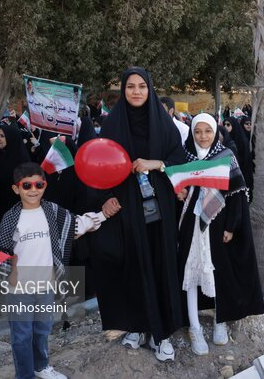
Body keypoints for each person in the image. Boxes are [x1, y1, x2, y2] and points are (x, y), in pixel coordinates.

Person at [90, 67, 185, 361]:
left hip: (159, 212)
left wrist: (154, 164)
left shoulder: (165, 125)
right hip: (127, 212)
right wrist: (107, 198)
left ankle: (163, 333)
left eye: (142, 86)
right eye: (130, 86)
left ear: (150, 89)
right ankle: (137, 325)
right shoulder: (111, 127)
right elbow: (98, 167)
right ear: (123, 90)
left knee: (160, 267)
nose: (136, 91)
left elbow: (178, 163)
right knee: (132, 267)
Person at [0, 162, 103, 379]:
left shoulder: (52, 211)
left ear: (45, 185)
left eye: (39, 184)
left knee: (42, 330)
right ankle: (24, 375)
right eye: (27, 185)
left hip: (46, 286)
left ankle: (41, 366)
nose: (33, 190)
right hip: (19, 289)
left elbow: (75, 225)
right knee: (21, 336)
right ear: (16, 188)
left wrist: (102, 216)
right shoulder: (11, 218)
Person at [176, 114, 264, 355]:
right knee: (190, 275)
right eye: (198, 132)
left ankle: (220, 321)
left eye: (207, 131)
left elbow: (237, 195)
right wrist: (180, 193)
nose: (203, 136)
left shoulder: (225, 156)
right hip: (190, 227)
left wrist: (231, 227)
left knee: (219, 272)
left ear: (215, 133)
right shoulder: (184, 157)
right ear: (192, 133)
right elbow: (176, 187)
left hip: (217, 226)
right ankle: (194, 327)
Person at [223, 117, 254, 201]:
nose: (226, 127)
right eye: (224, 124)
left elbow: (245, 158)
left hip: (242, 171)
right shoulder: (228, 138)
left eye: (228, 125)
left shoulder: (241, 140)